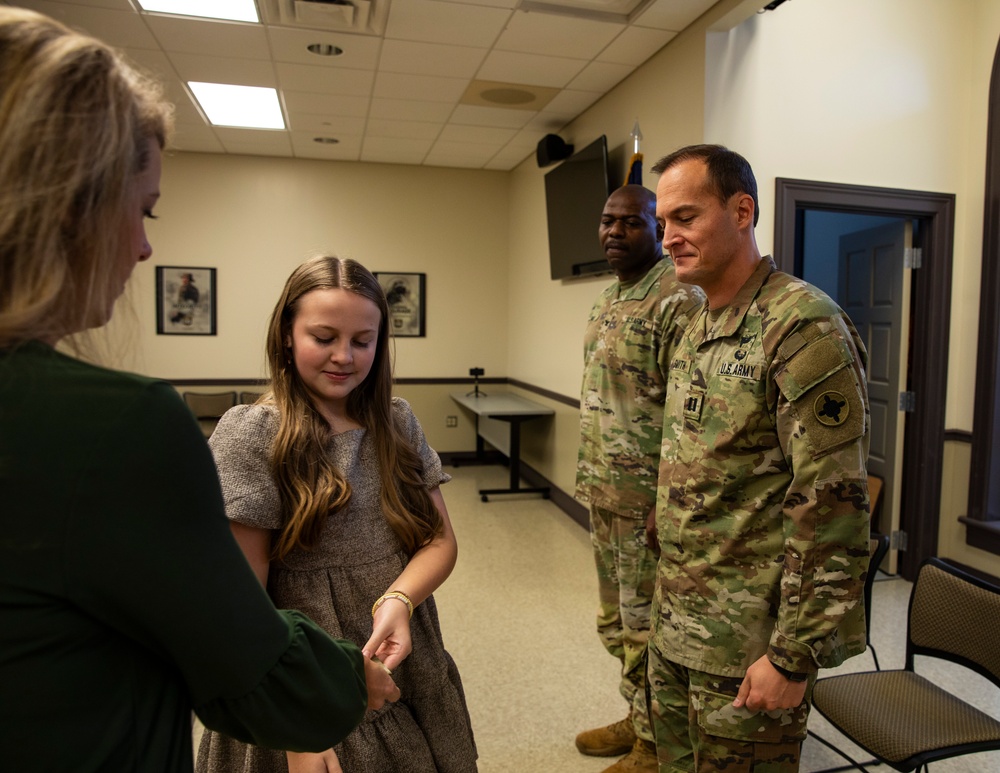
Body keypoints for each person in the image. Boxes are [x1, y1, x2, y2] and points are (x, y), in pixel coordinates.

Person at [0, 8, 399, 773]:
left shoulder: (393, 421)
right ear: (66, 203)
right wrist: (346, 680)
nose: (145, 245)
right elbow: (239, 650)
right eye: (141, 209)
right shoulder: (121, 426)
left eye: (363, 337)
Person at [197, 256, 478, 773]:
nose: (344, 356)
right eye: (323, 337)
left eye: (362, 341)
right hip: (303, 668)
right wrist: (298, 724)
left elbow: (439, 542)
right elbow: (240, 605)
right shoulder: (254, 434)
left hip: (402, 656)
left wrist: (400, 598)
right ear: (286, 334)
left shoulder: (396, 421)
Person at [647, 144, 871, 772]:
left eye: (686, 218)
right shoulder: (697, 326)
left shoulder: (802, 327)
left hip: (750, 645)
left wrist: (793, 655)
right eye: (663, 222)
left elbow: (832, 508)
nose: (669, 237)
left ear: (741, 211)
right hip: (679, 626)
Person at [575, 185, 703, 773]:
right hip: (604, 494)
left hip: (647, 503)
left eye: (630, 223)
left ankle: (657, 744)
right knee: (614, 622)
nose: (614, 232)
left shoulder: (676, 300)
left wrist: (664, 501)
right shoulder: (608, 298)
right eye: (607, 221)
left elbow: (687, 412)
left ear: (657, 231)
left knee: (647, 625)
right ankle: (636, 714)